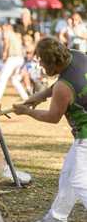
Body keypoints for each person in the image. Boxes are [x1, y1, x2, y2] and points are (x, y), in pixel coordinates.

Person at [13, 37, 87, 222]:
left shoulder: (64, 87)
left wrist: (27, 112)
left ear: (53, 63)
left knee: (79, 181)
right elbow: (61, 82)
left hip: (85, 137)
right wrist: (40, 96)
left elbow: (53, 117)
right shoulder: (77, 56)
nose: (41, 67)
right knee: (68, 176)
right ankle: (55, 218)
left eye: (43, 63)